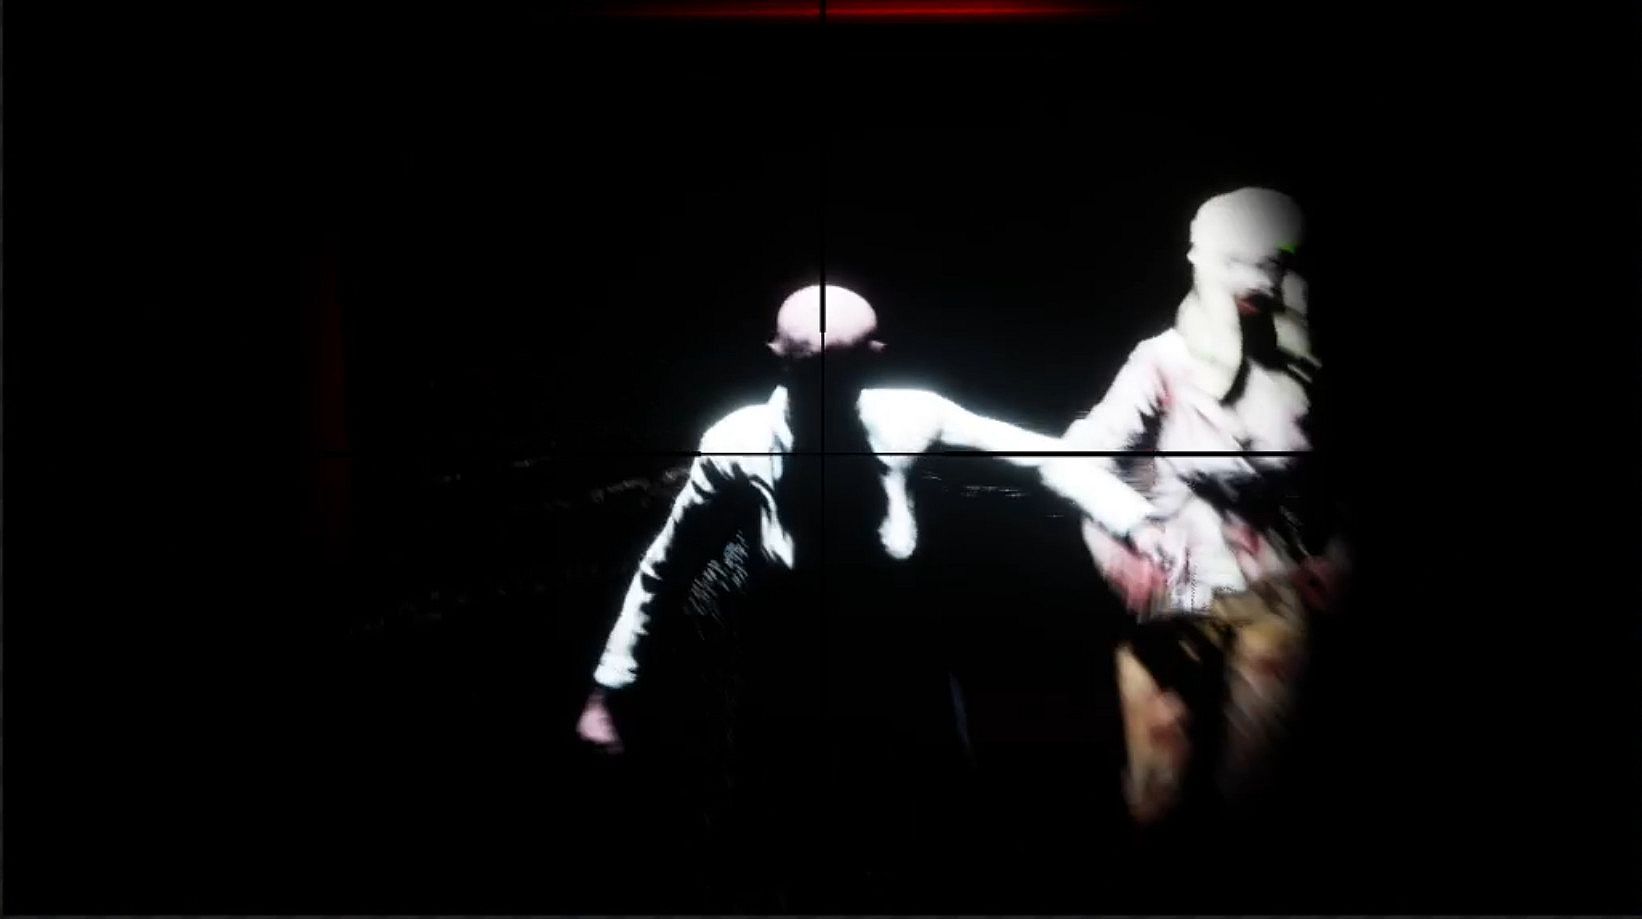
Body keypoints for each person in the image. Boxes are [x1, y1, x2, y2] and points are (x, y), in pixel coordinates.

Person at [575, 283, 1177, 907]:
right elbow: (665, 568)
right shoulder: (739, 444)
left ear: (872, 360)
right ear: (779, 359)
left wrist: (1133, 519)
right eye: (814, 373)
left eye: (840, 372)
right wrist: (609, 690)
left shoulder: (908, 418)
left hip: (904, 664)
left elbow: (1036, 455)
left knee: (937, 831)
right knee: (789, 841)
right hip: (792, 674)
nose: (827, 391)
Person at [1062, 187, 1349, 829]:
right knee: (1159, 787)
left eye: (1272, 264)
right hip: (1178, 590)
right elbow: (1080, 461)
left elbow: (1335, 481)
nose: (1259, 282)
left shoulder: (1305, 372)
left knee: (1259, 787)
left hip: (1272, 590)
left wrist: (1334, 556)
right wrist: (1118, 555)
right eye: (1240, 263)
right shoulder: (1163, 361)